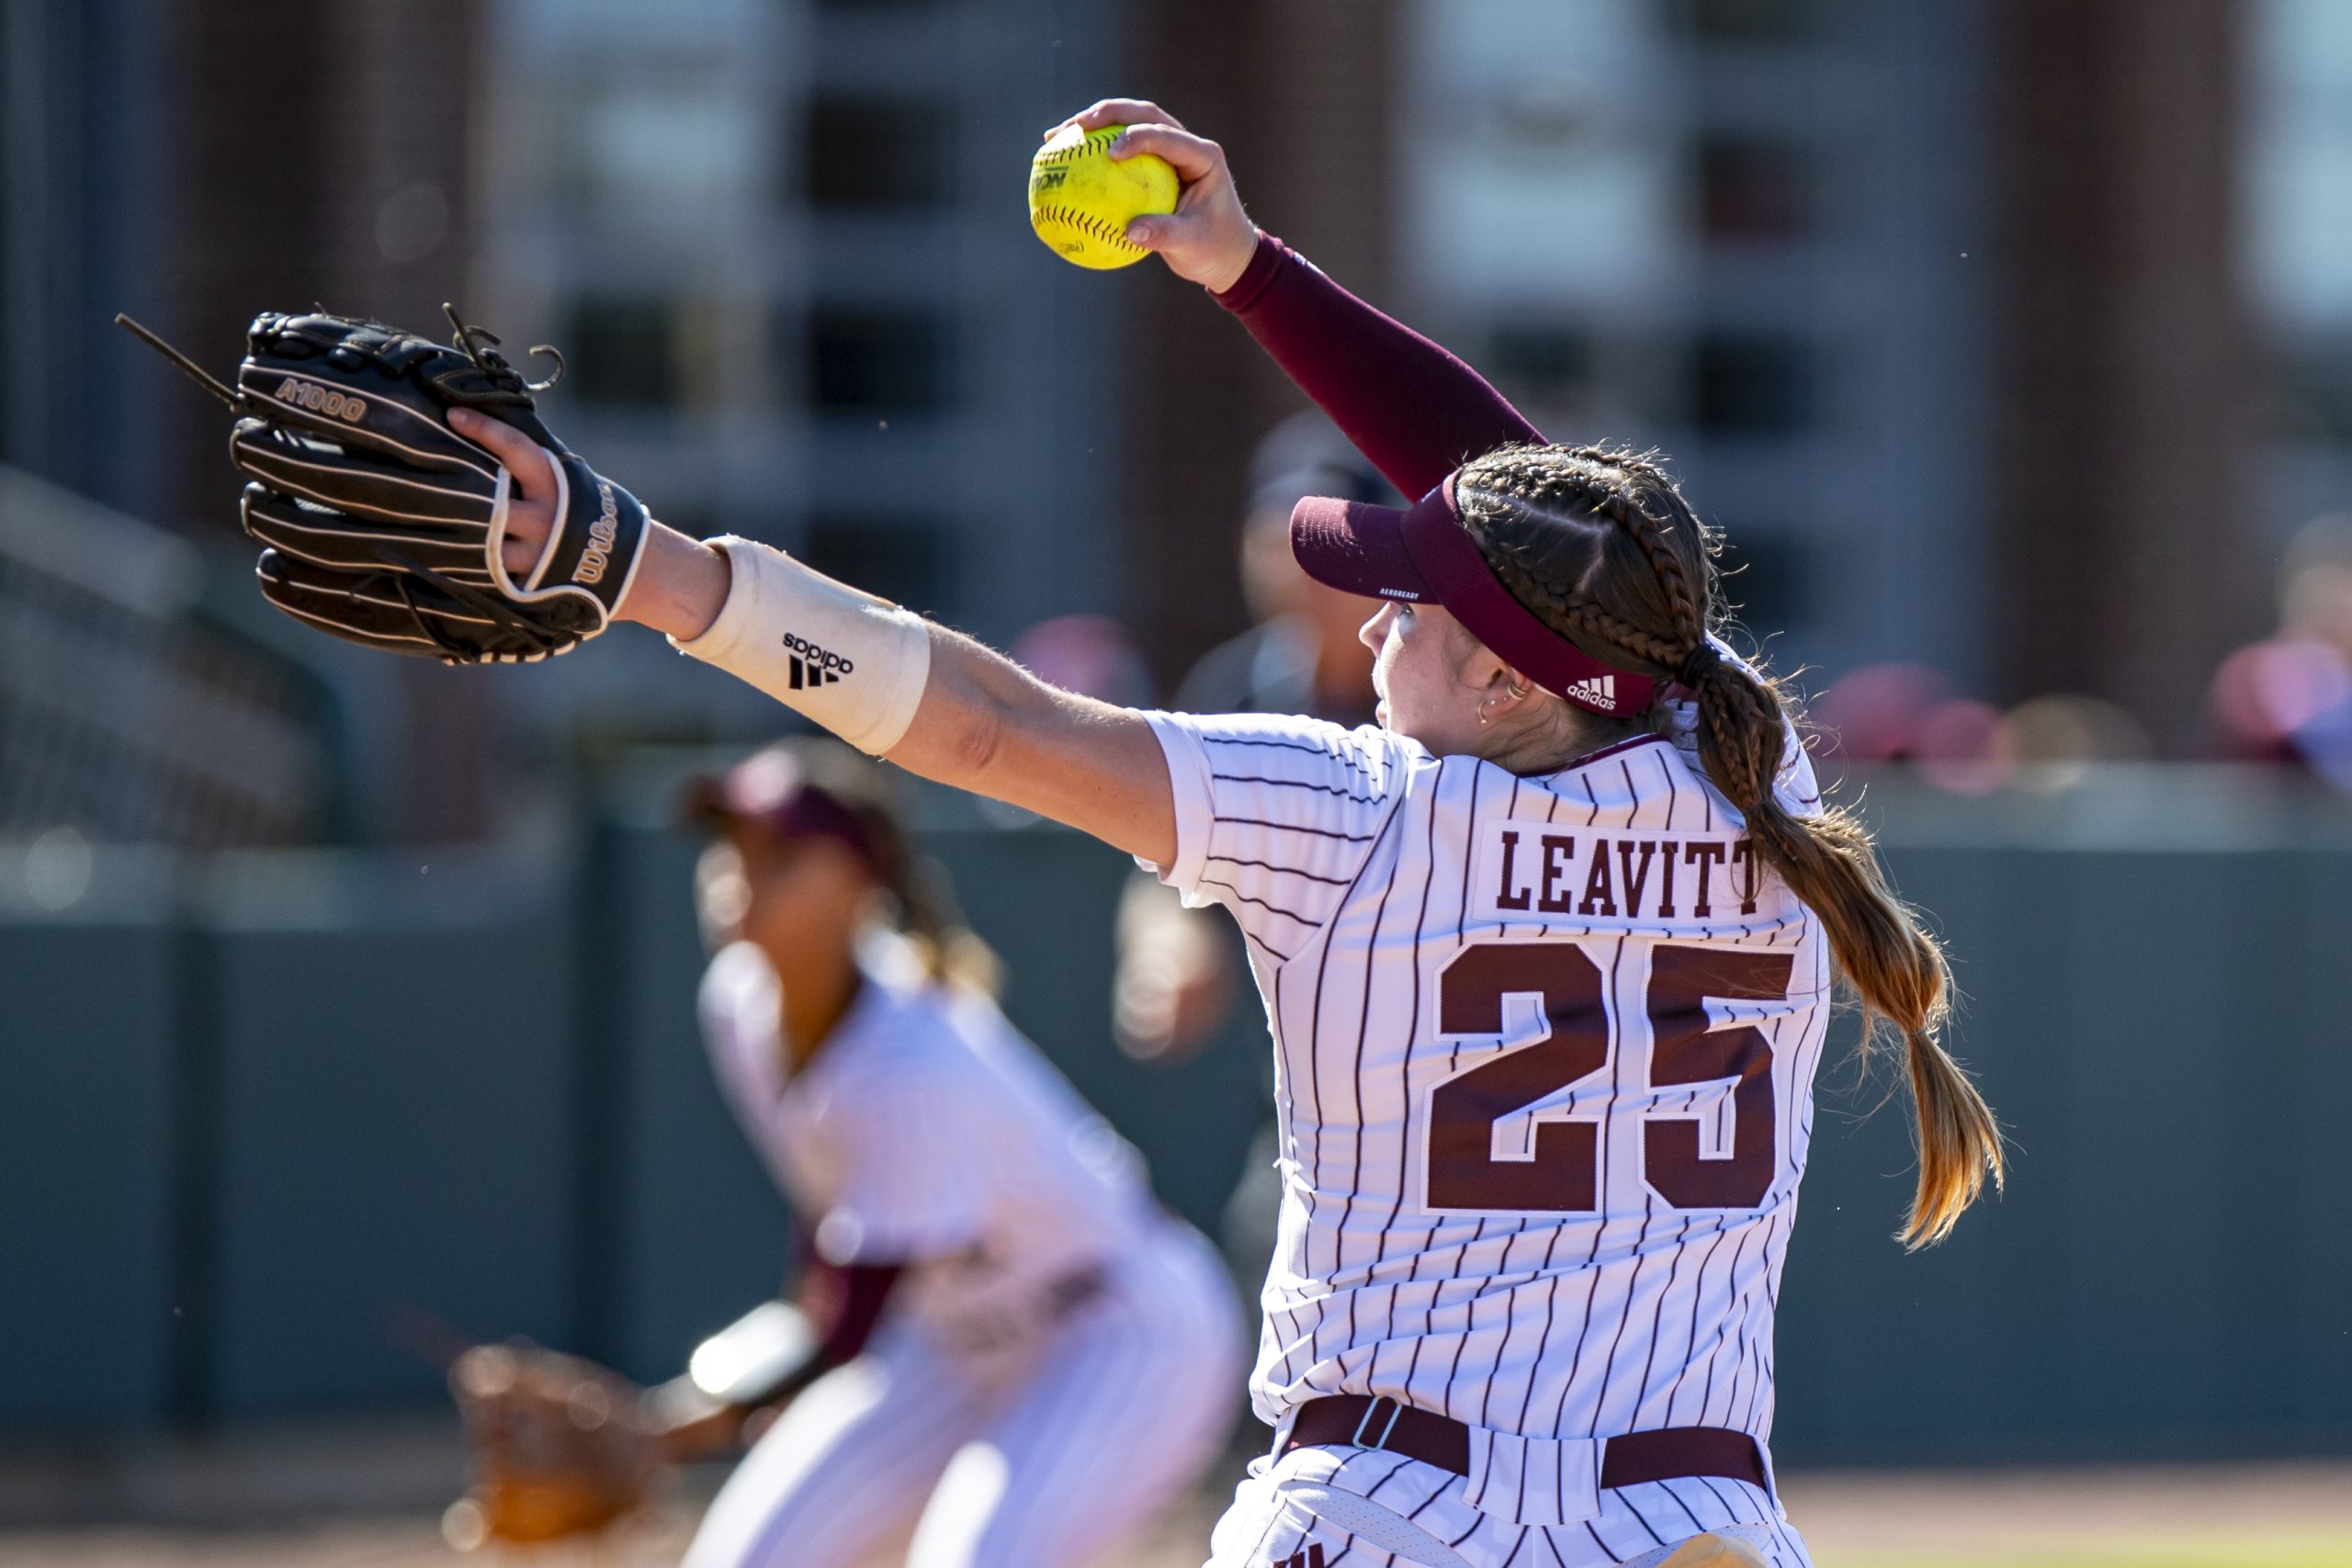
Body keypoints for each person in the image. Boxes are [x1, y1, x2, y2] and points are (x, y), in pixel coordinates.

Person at [437, 96, 2002, 1568]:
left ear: (1510, 668)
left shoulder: (1353, 815)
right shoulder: (1752, 778)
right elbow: (1569, 533)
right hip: (1686, 1508)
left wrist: (642, 569)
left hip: (1392, 1501)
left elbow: (984, 725)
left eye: (1416, 597)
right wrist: (1247, 270)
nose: (1373, 609)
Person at [648, 740, 1242, 1568]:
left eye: (778, 852)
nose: (740, 874)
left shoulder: (913, 1060)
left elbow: (849, 1319)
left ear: (857, 885)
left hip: (1115, 1329)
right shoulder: (738, 1004)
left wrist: (657, 1430)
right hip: (953, 1338)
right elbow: (831, 1219)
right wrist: (735, 1399)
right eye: (733, 848)